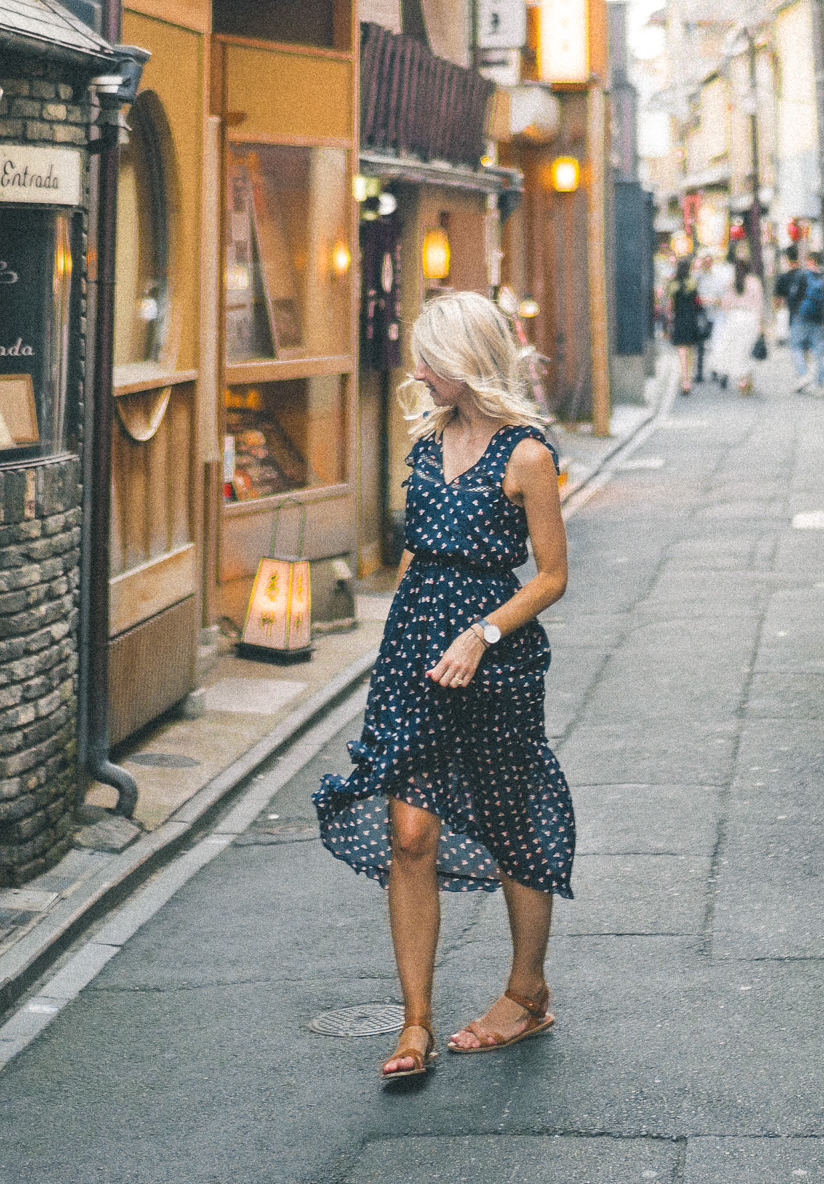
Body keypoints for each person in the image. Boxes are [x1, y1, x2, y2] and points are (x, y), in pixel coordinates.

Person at [313, 291, 574, 1085]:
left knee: (512, 820)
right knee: (410, 833)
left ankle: (525, 993)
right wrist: (395, 638)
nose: (417, 371)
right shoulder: (425, 445)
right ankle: (415, 1019)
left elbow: (553, 577)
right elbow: (416, 556)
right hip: (413, 655)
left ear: (469, 361)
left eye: (432, 359)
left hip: (493, 660)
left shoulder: (527, 454)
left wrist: (481, 633)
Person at [706, 256, 764, 392]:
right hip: (751, 318)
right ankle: (745, 379)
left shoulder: (732, 282)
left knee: (737, 350)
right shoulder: (754, 282)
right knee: (747, 350)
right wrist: (762, 324)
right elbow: (759, 304)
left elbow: (725, 304)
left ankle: (743, 380)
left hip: (735, 317)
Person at [789, 255, 824, 394]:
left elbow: (793, 296)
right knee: (820, 350)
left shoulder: (803, 275)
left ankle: (803, 374)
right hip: (820, 318)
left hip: (802, 316)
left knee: (796, 346)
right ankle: (820, 383)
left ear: (810, 261)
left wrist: (794, 313)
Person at [668, 259, 706, 390]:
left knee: (682, 351)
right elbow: (698, 302)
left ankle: (684, 379)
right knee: (691, 350)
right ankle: (688, 377)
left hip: (679, 319)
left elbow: (670, 303)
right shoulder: (693, 283)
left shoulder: (673, 284)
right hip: (691, 319)